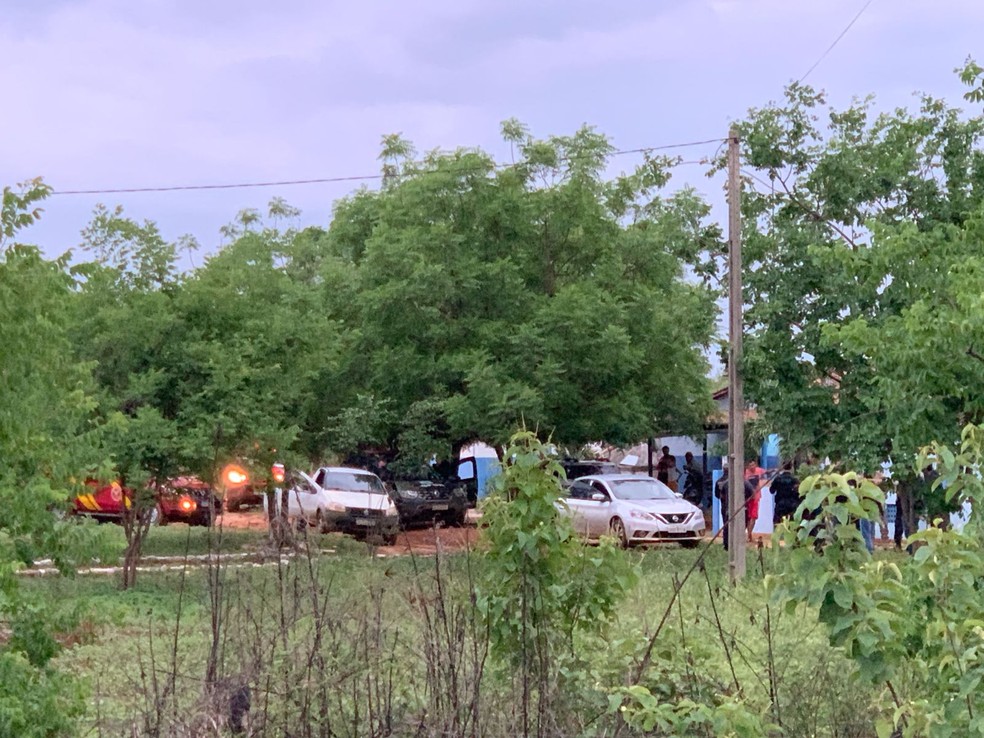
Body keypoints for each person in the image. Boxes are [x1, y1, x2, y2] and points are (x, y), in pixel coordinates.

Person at [715, 464, 755, 551]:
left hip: (727, 509)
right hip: (742, 510)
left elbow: (720, 495)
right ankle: (739, 546)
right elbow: (753, 494)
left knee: (727, 527)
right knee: (740, 528)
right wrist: (745, 500)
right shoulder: (745, 483)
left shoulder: (724, 483)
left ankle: (727, 546)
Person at [744, 459, 766, 542]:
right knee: (747, 517)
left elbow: (767, 473)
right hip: (747, 499)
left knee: (753, 517)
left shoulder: (759, 471)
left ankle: (749, 534)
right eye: (750, 465)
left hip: (756, 498)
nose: (752, 467)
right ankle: (748, 535)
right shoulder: (745, 473)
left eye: (753, 465)